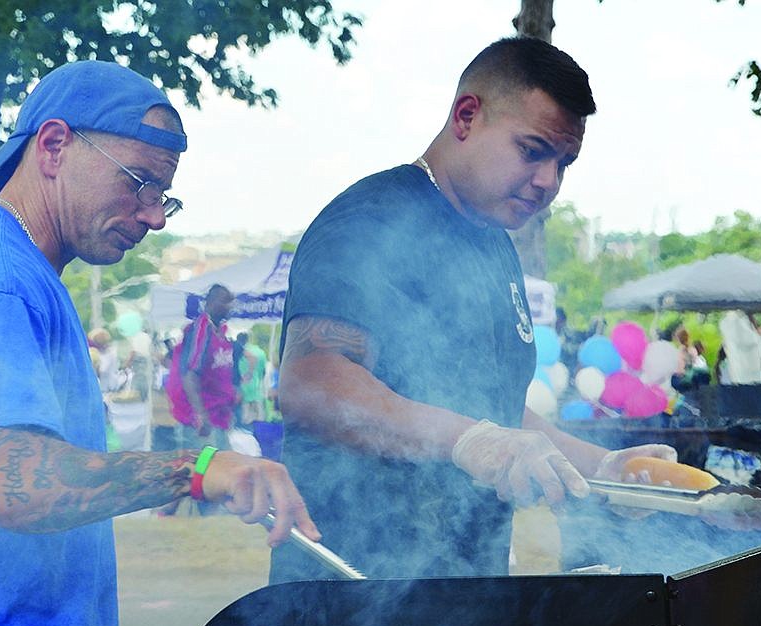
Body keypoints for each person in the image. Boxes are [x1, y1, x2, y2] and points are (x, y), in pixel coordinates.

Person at [0, 60, 318, 626]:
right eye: (139, 182)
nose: (151, 215)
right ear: (53, 146)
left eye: (164, 196)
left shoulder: (26, 275)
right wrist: (197, 467)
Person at [270, 36, 676, 584]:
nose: (548, 182)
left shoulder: (491, 242)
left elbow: (495, 411)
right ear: (466, 116)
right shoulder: (370, 220)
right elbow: (312, 383)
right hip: (351, 587)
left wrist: (600, 467)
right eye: (532, 151)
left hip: (461, 593)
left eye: (564, 162)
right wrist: (467, 441)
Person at [165, 283, 238, 450]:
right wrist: (200, 414)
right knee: (204, 469)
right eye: (224, 301)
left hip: (219, 417)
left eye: (230, 302)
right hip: (202, 421)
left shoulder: (222, 333)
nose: (228, 306)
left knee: (221, 468)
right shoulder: (201, 330)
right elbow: (190, 373)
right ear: (210, 303)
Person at [236, 332, 268, 426]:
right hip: (257, 390)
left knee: (245, 424)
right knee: (260, 422)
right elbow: (263, 373)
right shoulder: (261, 352)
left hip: (243, 391)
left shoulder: (239, 351)